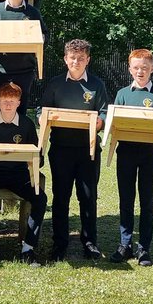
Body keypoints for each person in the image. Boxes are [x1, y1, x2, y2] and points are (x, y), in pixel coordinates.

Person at [40, 39, 108, 261]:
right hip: (60, 149)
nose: (76, 62)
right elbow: (42, 109)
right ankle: (60, 243)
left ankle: (89, 242)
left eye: (81, 58)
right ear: (65, 59)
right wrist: (42, 117)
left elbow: (105, 113)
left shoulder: (97, 85)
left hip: (87, 151)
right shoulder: (55, 84)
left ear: (88, 60)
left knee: (88, 197)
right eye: (72, 58)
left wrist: (100, 122)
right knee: (61, 197)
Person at [107, 49, 153, 266]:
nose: (140, 71)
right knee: (126, 200)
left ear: (152, 69)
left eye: (144, 68)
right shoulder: (122, 94)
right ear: (129, 69)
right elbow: (114, 120)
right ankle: (124, 244)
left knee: (147, 202)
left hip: (149, 155)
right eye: (136, 67)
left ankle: (144, 248)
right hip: (125, 153)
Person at [0, 82, 47, 267]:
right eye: (4, 100)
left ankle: (28, 248)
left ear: (19, 103)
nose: (8, 105)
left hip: (19, 175)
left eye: (12, 101)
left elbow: (40, 158)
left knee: (40, 198)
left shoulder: (27, 124)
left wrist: (34, 160)